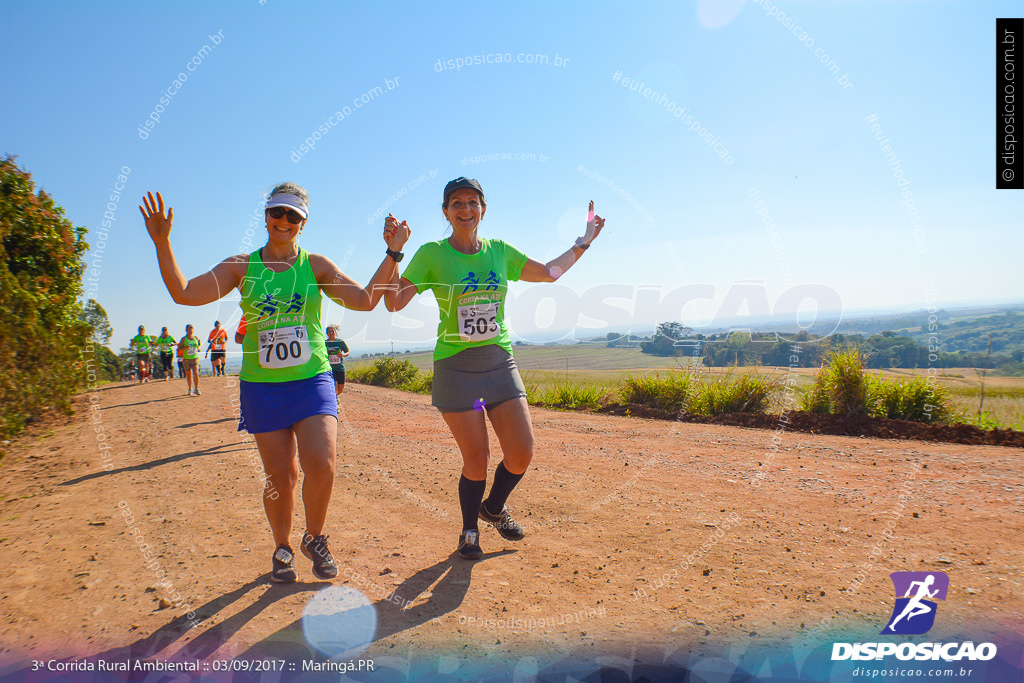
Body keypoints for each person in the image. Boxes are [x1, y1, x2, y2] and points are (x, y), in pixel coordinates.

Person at [140, 183, 408, 583]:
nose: (284, 221)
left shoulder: (315, 266)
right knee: (282, 476)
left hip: (312, 378)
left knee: (323, 463)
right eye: (277, 213)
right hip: (263, 387)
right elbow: (183, 293)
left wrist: (393, 253)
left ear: (303, 223)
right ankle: (282, 547)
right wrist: (163, 242)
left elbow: (367, 299)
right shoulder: (240, 268)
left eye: (293, 216)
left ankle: (315, 538)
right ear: (266, 216)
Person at [384, 177, 604, 559]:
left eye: (472, 202)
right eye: (456, 203)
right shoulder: (431, 253)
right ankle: (470, 530)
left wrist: (584, 241)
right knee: (477, 458)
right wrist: (395, 253)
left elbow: (551, 272)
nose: (465, 208)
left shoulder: (500, 251)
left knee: (521, 452)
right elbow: (393, 303)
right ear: (445, 212)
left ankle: (493, 508)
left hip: (499, 362)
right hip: (456, 368)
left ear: (483, 210)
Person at [324, 325, 350, 398]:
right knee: (334, 385)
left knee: (341, 387)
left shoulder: (340, 342)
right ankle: (335, 401)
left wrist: (343, 355)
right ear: (327, 333)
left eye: (333, 331)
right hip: (330, 368)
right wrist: (326, 357)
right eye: (329, 331)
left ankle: (336, 397)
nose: (331, 333)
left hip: (340, 368)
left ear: (335, 332)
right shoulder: (325, 343)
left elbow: (347, 352)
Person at [178, 324, 202, 395]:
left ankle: (197, 388)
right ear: (186, 330)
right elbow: (179, 348)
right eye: (188, 329)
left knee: (196, 372)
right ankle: (190, 388)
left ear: (193, 330)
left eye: (191, 329)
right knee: (188, 375)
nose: (190, 331)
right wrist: (185, 347)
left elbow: (199, 344)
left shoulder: (196, 338)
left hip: (195, 358)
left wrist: (198, 348)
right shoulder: (184, 339)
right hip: (186, 359)